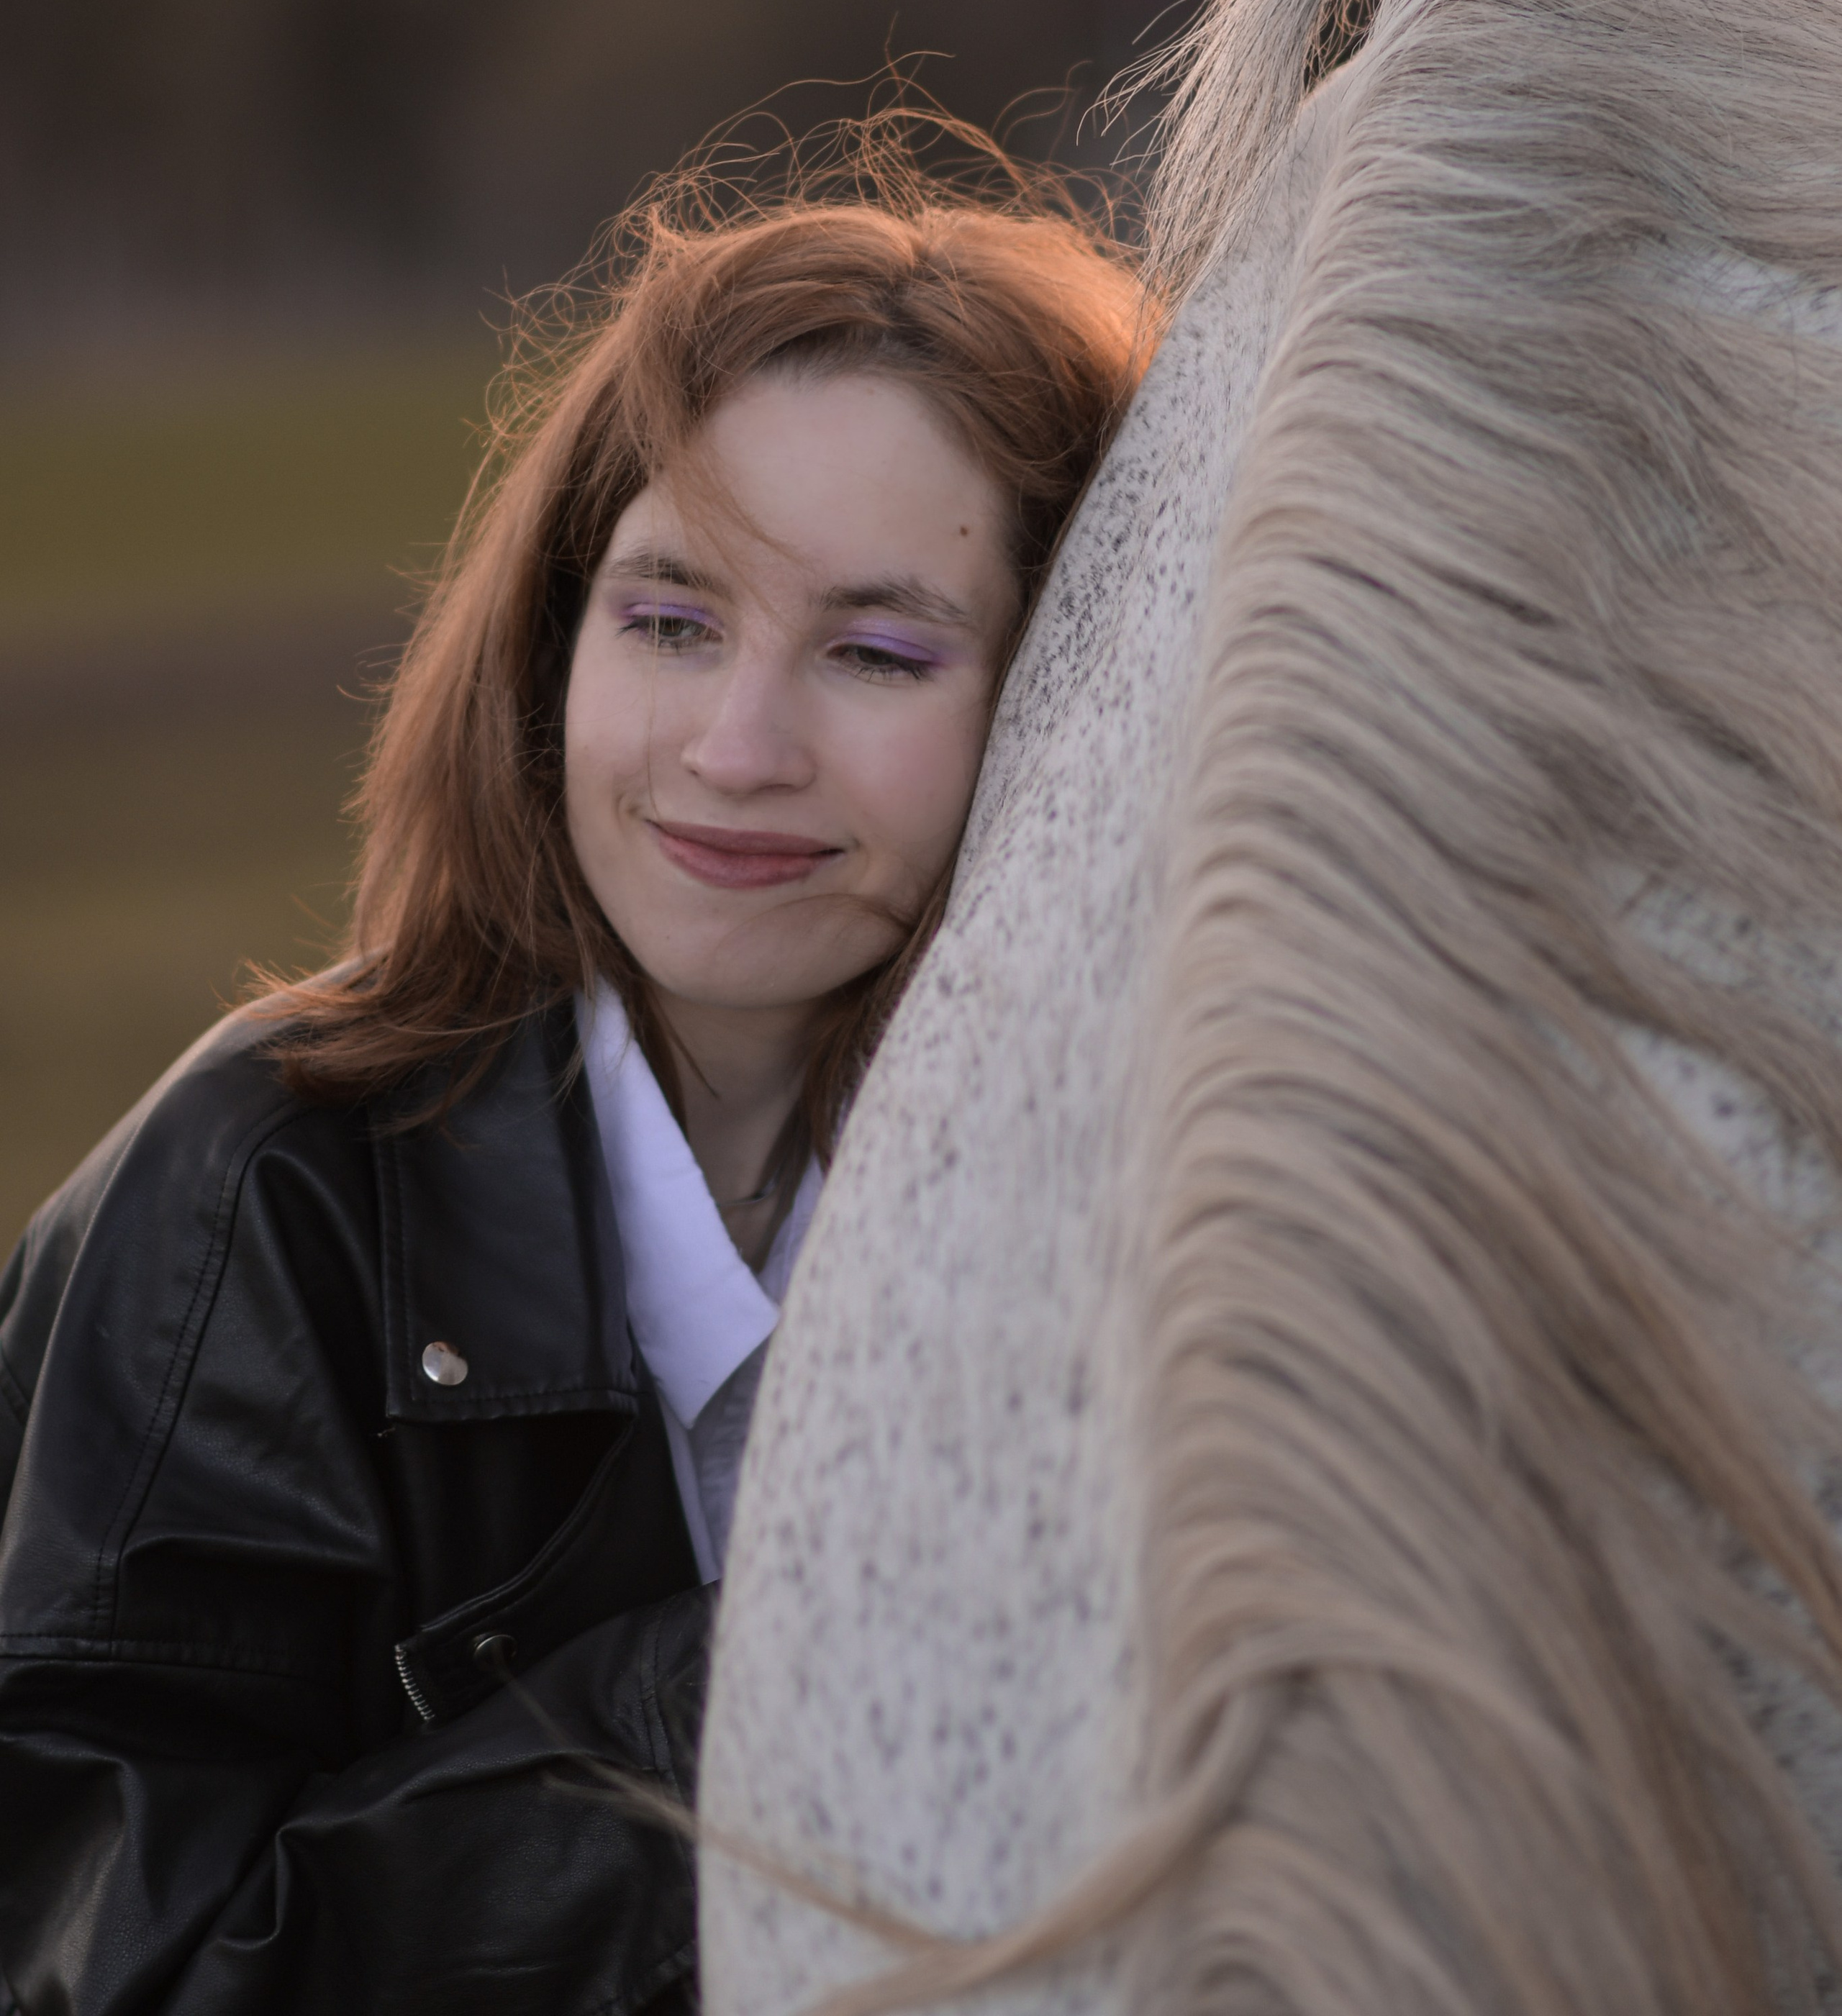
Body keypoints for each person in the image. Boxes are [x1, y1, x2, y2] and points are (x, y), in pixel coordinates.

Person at [0, 145, 1148, 2016]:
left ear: (1063, 703)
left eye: (874, 651)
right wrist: (766, 1684)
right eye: (672, 619)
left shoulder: (1140, 1212)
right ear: (550, 649)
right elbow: (126, 1974)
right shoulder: (251, 1205)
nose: (737, 745)